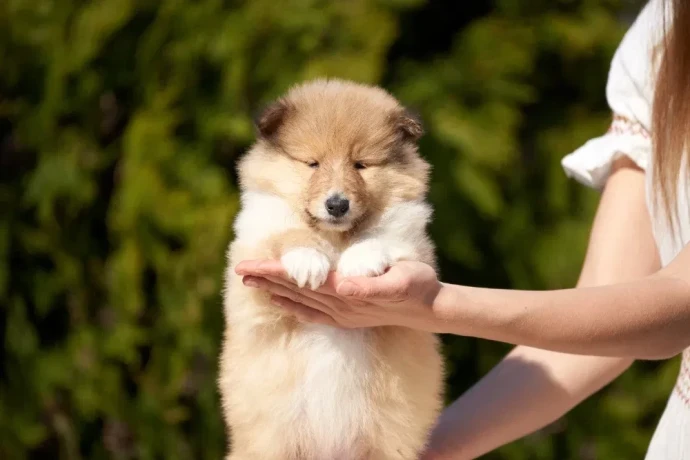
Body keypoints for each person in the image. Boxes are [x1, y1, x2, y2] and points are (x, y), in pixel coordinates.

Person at [234, 0, 690, 457]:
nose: (337, 187)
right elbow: (609, 304)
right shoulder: (664, 33)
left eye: (362, 163)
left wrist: (432, 304)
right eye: (311, 163)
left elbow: (678, 304)